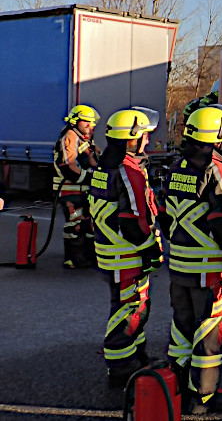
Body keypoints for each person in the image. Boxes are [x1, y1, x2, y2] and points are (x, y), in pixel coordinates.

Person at [159, 105, 222, 413]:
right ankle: (204, 398)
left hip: (179, 268)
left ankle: (176, 390)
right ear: (217, 136)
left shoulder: (174, 168)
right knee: (209, 333)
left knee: (181, 329)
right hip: (209, 271)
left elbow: (165, 217)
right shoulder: (217, 170)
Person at [88, 107, 163, 386]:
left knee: (134, 306)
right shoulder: (127, 170)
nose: (146, 140)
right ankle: (121, 369)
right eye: (143, 135)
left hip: (110, 252)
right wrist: (150, 251)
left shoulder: (104, 165)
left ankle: (137, 358)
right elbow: (132, 219)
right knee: (128, 309)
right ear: (132, 138)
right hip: (126, 255)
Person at [53, 104, 101, 268]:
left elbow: (94, 161)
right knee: (75, 225)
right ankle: (74, 258)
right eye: (86, 122)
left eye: (92, 123)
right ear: (75, 121)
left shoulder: (84, 140)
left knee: (89, 224)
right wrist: (90, 177)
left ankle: (88, 256)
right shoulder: (70, 136)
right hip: (70, 191)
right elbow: (68, 166)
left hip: (84, 190)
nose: (91, 126)